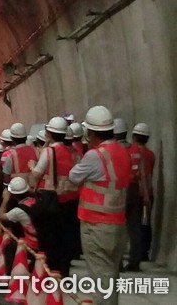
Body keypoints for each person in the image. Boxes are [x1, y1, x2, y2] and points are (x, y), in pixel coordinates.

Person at [69, 106, 131, 305]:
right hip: (118, 224)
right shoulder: (122, 151)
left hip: (96, 226)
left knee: (101, 279)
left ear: (91, 132)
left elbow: (73, 176)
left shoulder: (95, 156)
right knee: (111, 275)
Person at [31, 117, 81, 277]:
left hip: (52, 201)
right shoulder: (75, 153)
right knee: (66, 239)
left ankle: (52, 272)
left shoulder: (49, 152)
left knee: (50, 238)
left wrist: (32, 167)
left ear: (50, 133)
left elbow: (37, 173)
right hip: (72, 201)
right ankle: (65, 273)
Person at [0, 177, 38, 274]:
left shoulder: (18, 212)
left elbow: (1, 216)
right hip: (43, 239)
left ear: (12, 195)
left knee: (9, 247)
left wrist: (5, 200)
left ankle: (9, 276)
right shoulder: (35, 201)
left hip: (34, 244)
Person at [131, 123, 155, 262]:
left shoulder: (132, 153)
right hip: (148, 193)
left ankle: (137, 254)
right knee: (145, 223)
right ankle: (144, 252)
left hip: (136, 193)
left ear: (134, 137)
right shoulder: (150, 154)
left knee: (134, 226)